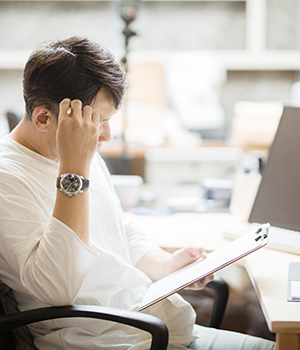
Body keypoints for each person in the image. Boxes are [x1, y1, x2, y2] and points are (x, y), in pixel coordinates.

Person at [0, 36, 276, 350]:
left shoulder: (80, 150)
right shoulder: (9, 177)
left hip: (148, 326)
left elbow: (118, 229)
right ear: (44, 118)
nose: (105, 135)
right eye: (97, 122)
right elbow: (58, 287)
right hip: (103, 342)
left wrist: (167, 264)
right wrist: (74, 168)